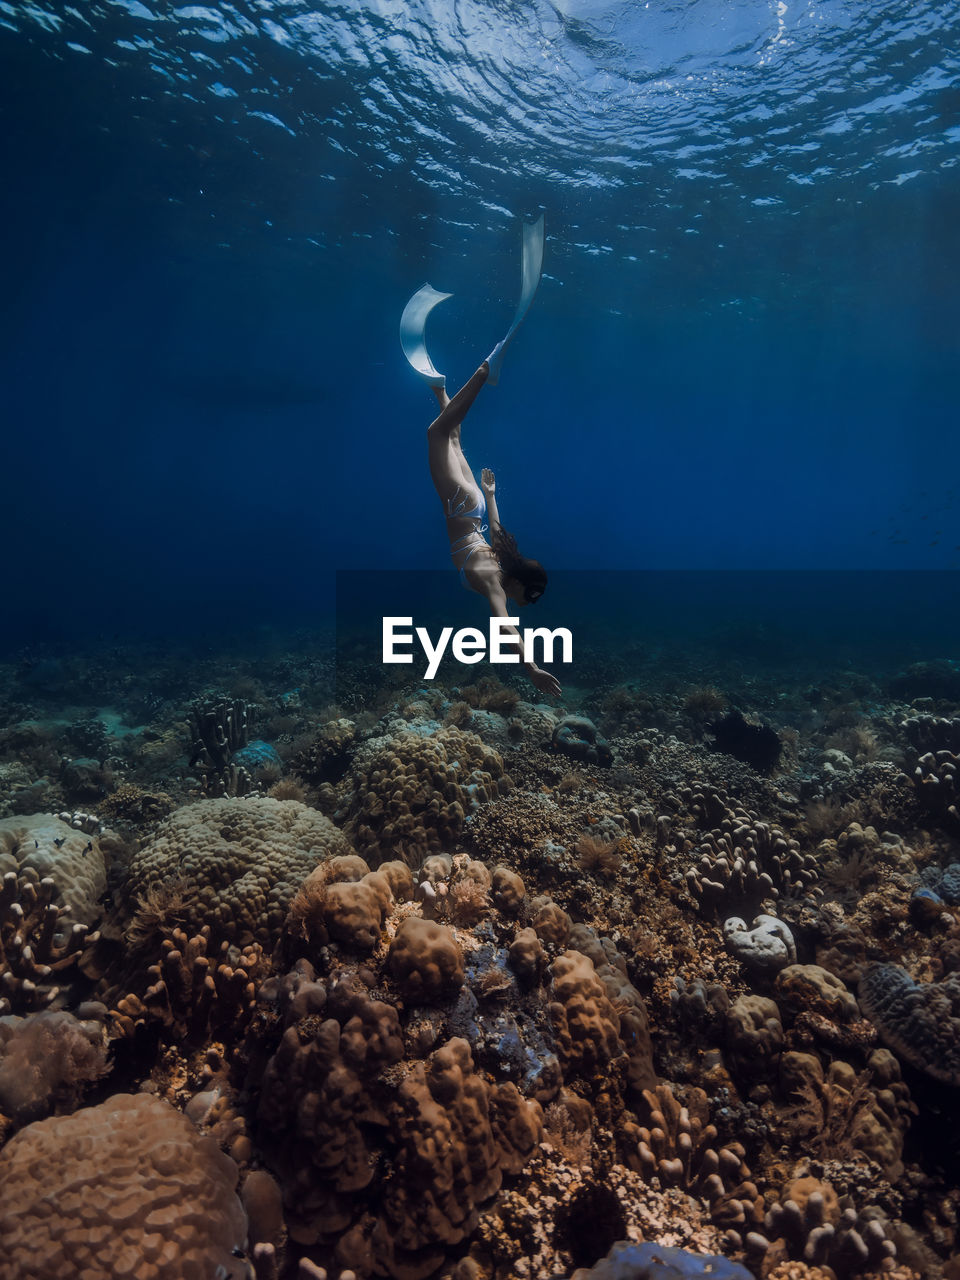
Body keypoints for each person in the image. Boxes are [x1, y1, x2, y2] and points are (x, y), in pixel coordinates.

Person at [426, 359, 562, 700]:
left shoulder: (501, 563)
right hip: (460, 506)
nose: (528, 604)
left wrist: (490, 495)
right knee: (437, 433)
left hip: (475, 506)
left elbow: (497, 531)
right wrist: (531, 668)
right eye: (530, 597)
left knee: (453, 441)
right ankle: (483, 374)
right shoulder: (495, 584)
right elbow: (504, 627)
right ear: (518, 583)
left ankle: (440, 388)